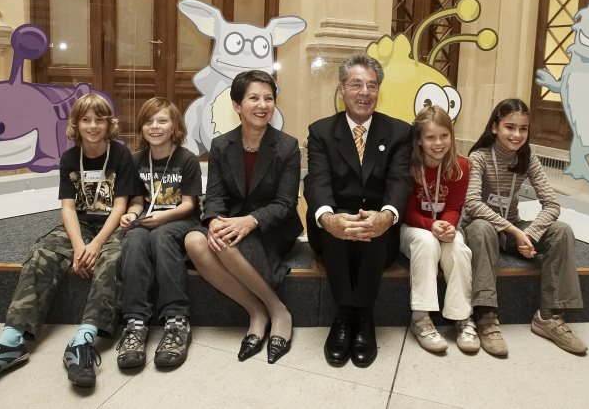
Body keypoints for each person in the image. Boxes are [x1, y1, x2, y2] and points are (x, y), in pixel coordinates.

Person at [0, 93, 136, 388]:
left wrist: (96, 245)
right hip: (79, 225)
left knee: (115, 258)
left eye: (99, 120)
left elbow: (119, 206)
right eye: (86, 120)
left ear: (108, 124)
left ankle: (83, 342)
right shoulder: (68, 158)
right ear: (76, 125)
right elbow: (67, 208)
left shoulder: (120, 155)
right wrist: (79, 246)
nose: (93, 126)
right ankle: (11, 341)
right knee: (41, 253)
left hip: (110, 227)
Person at [184, 70, 301, 364]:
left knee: (225, 243)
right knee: (194, 241)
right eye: (253, 98)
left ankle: (278, 311)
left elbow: (286, 203)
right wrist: (213, 221)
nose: (262, 105)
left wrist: (250, 221)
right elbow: (215, 196)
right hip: (233, 220)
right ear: (237, 105)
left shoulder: (287, 146)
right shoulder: (222, 145)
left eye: (268, 98)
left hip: (273, 226)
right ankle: (257, 310)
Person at [304, 53, 413, 368]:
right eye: (356, 84)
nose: (365, 92)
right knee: (340, 226)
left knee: (371, 228)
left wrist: (387, 215)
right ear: (341, 90)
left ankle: (363, 318)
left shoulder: (399, 132)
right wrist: (328, 217)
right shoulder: (321, 131)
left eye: (372, 85)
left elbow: (399, 181)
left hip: (380, 233)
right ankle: (343, 317)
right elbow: (317, 181)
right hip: (332, 230)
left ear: (379, 91)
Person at [461, 98, 586, 356]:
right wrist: (515, 231)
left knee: (562, 230)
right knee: (482, 227)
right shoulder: (479, 157)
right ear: (495, 127)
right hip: (483, 229)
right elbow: (472, 203)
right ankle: (485, 316)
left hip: (514, 230)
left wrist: (530, 234)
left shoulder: (528, 158)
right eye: (510, 127)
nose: (517, 135)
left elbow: (552, 204)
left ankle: (549, 316)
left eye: (523, 129)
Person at [116, 98, 202, 369]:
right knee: (134, 238)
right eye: (148, 121)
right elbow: (138, 201)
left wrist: (164, 217)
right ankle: (135, 321)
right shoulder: (135, 160)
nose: (155, 126)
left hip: (181, 220)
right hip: (148, 218)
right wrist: (131, 214)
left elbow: (189, 205)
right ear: (141, 127)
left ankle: (176, 319)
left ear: (174, 125)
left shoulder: (186, 159)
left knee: (161, 237)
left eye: (162, 120)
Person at [400, 105, 478, 353]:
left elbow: (454, 206)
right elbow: (408, 213)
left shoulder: (461, 167)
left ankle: (462, 317)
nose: (438, 143)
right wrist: (431, 225)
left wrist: (447, 225)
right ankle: (420, 319)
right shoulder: (408, 166)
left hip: (442, 226)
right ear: (419, 140)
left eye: (444, 135)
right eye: (430, 137)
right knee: (426, 242)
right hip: (412, 228)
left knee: (458, 248)